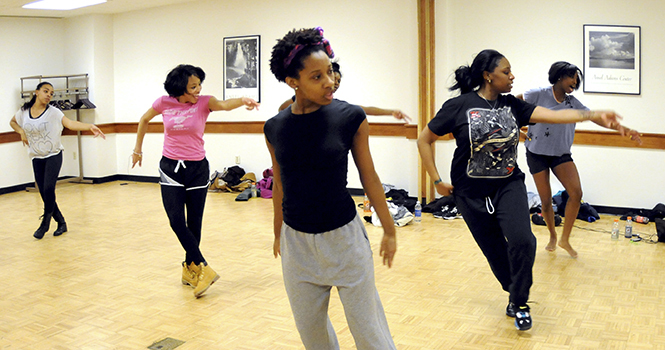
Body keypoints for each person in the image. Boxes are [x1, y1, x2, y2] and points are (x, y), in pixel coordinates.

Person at [417, 49, 639, 331]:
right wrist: (436, 181)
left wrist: (593, 115)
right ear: (488, 75)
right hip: (469, 192)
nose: (512, 77)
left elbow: (553, 115)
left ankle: (520, 302)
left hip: (508, 184)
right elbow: (424, 139)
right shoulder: (459, 106)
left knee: (524, 241)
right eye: (506, 72)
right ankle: (512, 292)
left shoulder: (513, 106)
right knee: (495, 249)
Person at [266, 27, 397, 349]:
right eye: (316, 76)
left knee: (368, 330)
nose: (329, 81)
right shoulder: (275, 127)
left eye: (329, 72)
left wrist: (389, 229)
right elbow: (280, 183)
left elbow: (369, 177)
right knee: (312, 334)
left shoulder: (350, 116)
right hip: (296, 244)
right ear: (292, 81)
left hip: (344, 240)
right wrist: (277, 230)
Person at [131, 64, 259, 298]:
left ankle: (191, 270)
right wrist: (137, 149)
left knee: (194, 222)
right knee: (176, 219)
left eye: (200, 84)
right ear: (180, 88)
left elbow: (223, 105)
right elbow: (144, 119)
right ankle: (203, 267)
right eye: (193, 86)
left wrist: (243, 100)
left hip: (197, 168)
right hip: (171, 167)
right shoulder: (164, 102)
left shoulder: (204, 102)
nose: (198, 90)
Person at [518, 61, 641, 258]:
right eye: (572, 77)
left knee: (576, 193)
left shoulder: (572, 103)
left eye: (577, 80)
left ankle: (565, 239)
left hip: (561, 154)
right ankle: (552, 236)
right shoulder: (537, 94)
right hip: (536, 153)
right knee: (546, 200)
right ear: (559, 76)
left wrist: (622, 129)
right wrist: (516, 130)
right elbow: (515, 105)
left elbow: (595, 117)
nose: (575, 82)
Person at [10, 82, 106, 239]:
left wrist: (89, 126)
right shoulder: (24, 111)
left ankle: (45, 223)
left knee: (48, 189)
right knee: (43, 193)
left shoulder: (54, 112)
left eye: (51, 93)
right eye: (46, 91)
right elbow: (12, 122)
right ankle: (61, 222)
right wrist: (21, 131)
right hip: (36, 156)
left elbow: (70, 123)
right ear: (36, 92)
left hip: (53, 155)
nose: (49, 95)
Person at [278, 61, 411, 122]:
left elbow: (364, 109)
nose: (333, 84)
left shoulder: (338, 107)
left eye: (338, 81)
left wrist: (391, 112)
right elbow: (282, 109)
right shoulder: (299, 103)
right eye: (332, 79)